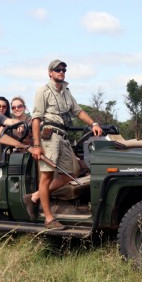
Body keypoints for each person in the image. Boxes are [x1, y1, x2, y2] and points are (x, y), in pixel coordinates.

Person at [25, 59, 103, 230]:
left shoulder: (66, 91)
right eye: (57, 69)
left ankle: (35, 196)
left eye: (63, 69)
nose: (61, 72)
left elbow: (78, 110)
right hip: (49, 136)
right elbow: (36, 119)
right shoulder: (43, 91)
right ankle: (48, 218)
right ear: (50, 73)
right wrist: (36, 145)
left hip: (64, 136)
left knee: (71, 173)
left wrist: (94, 124)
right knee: (46, 177)